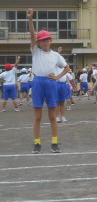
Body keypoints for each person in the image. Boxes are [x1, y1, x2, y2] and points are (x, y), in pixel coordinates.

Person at [27, 8, 70, 154]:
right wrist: (30, 19)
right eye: (41, 40)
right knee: (37, 116)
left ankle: (54, 143)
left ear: (51, 40)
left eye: (47, 40)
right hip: (38, 82)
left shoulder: (56, 55)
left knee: (52, 116)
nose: (44, 42)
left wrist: (57, 77)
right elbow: (32, 35)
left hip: (51, 83)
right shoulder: (35, 51)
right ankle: (37, 143)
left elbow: (67, 68)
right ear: (38, 43)